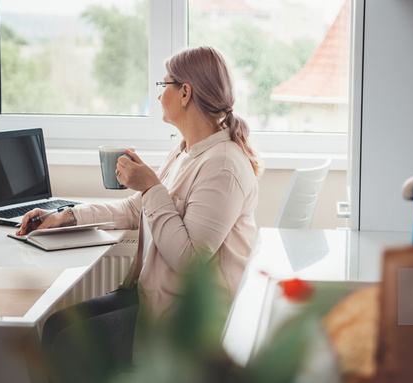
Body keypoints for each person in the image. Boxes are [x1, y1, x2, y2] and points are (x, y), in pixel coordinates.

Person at [17, 46, 261, 382]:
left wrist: (151, 187)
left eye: (164, 87)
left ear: (185, 92)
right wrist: (66, 216)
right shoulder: (185, 151)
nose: (159, 96)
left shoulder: (223, 165)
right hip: (152, 296)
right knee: (57, 325)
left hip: (187, 322)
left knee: (65, 343)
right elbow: (135, 209)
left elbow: (190, 260)